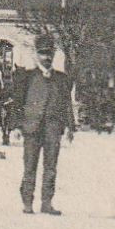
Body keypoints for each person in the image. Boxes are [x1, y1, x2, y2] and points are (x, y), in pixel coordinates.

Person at [12, 34, 75, 215]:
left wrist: (71, 127)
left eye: (49, 54)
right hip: (31, 128)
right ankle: (27, 202)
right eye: (43, 53)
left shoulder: (61, 79)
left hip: (53, 130)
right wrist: (17, 125)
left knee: (51, 167)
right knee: (29, 166)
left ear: (54, 55)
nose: (46, 58)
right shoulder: (27, 77)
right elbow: (18, 102)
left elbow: (66, 104)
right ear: (36, 54)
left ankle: (47, 202)